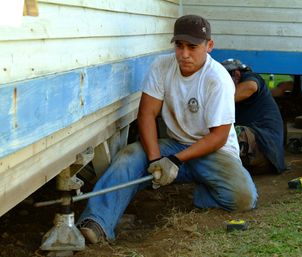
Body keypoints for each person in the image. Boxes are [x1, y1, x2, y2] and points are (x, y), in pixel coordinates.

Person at [76, 15, 257, 244]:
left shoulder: (218, 79)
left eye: (192, 47)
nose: (184, 54)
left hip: (213, 151)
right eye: (179, 46)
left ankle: (204, 191)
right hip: (175, 145)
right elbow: (147, 114)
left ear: (209, 46)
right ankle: (97, 222)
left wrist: (175, 161)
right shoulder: (162, 66)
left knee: (244, 198)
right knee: (129, 158)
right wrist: (154, 159)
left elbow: (219, 136)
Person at [221, 59, 286, 174]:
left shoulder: (250, 77)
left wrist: (213, 102)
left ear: (236, 74)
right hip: (255, 157)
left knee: (228, 133)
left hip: (266, 150)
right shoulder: (232, 89)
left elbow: (251, 86)